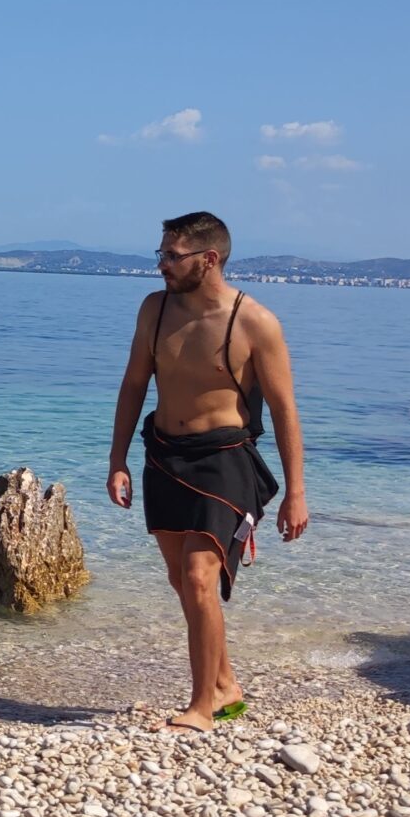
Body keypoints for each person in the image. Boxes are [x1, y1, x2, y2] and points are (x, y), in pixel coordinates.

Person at [107, 211, 309, 732]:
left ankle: (203, 707)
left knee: (200, 578)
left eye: (172, 256)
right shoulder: (154, 310)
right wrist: (117, 460)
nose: (162, 266)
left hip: (226, 461)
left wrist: (295, 493)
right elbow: (133, 385)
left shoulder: (255, 322)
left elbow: (286, 410)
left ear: (209, 259)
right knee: (182, 579)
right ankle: (226, 685)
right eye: (161, 255)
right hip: (164, 456)